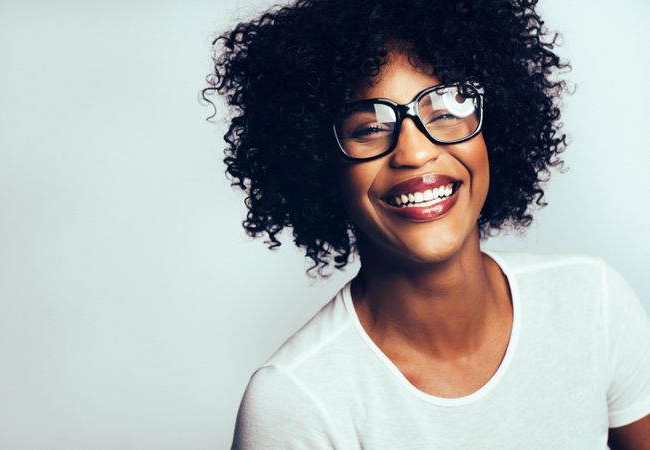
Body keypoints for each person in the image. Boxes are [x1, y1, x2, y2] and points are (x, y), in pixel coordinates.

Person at [203, 0, 650, 448]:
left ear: (493, 132)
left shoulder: (594, 303)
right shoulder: (296, 401)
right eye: (369, 127)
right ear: (321, 164)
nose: (415, 153)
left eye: (446, 110)